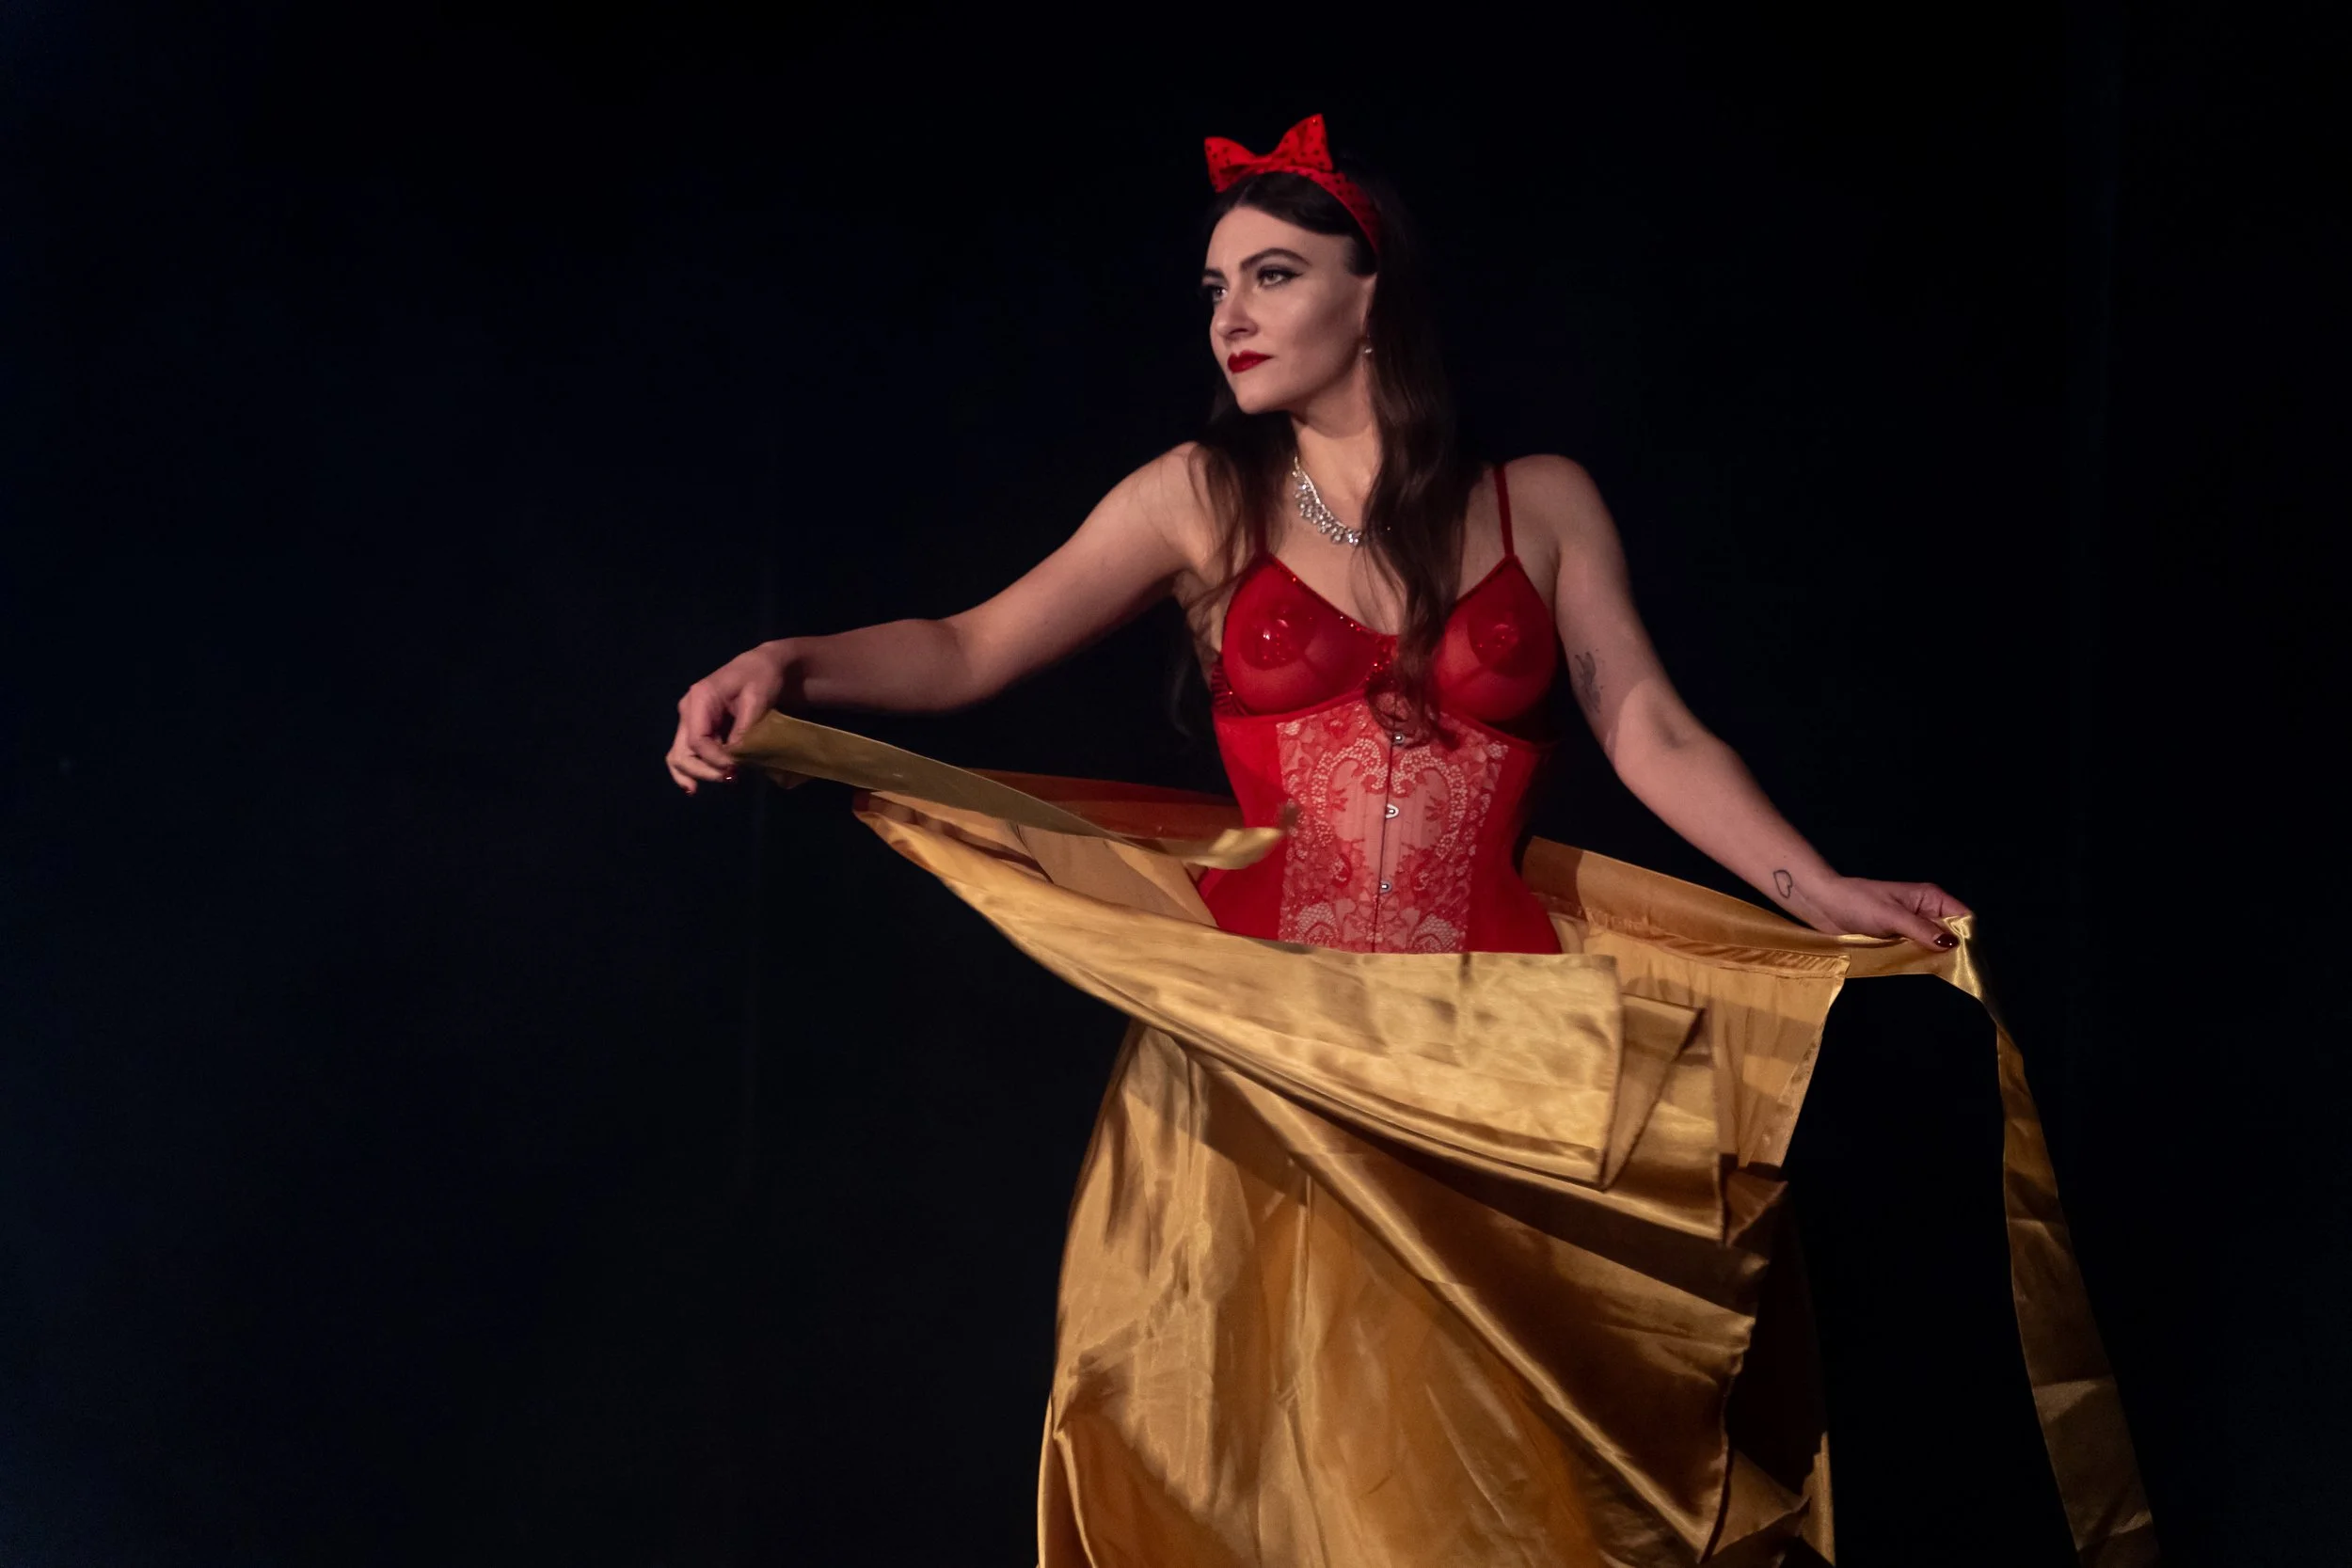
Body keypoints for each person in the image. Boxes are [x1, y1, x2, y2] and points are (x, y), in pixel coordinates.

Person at [660, 117, 2150, 1567]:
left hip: (1494, 1063)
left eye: (1270, 276)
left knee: (1487, 1497)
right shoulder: (1200, 497)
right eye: (1213, 289)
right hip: (1269, 1064)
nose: (1228, 315)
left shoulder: (1540, 501)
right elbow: (967, 644)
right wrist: (788, 660)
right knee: (1278, 1487)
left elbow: (1650, 727)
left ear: (1373, 292)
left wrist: (1812, 886)